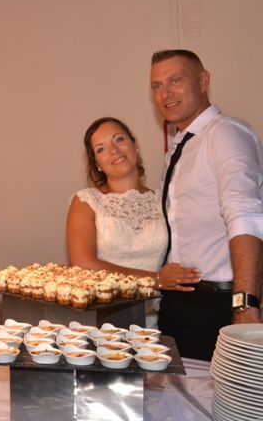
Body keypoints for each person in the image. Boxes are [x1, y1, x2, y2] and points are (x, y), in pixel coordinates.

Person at [150, 49, 263, 361]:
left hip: (218, 305)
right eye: (156, 86)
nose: (165, 93)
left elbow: (246, 214)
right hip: (178, 305)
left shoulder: (225, 133)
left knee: (224, 408)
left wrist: (245, 305)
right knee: (175, 407)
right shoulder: (180, 146)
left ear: (203, 81)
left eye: (175, 80)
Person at [66, 117, 200, 326]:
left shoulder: (164, 200)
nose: (113, 150)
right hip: (101, 318)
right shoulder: (85, 202)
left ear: (135, 146)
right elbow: (84, 264)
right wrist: (154, 279)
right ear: (97, 165)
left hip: (152, 318)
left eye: (119, 139)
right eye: (101, 149)